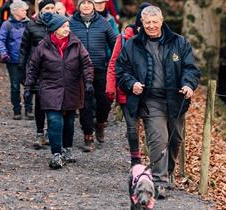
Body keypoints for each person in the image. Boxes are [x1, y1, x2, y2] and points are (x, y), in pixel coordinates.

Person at [116, 6, 200, 198]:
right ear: (142, 24)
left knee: (175, 138)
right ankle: (159, 181)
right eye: (147, 23)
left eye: (155, 22)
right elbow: (121, 70)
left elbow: (191, 68)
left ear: (162, 21)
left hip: (175, 99)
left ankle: (168, 172)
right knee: (158, 139)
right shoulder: (132, 45)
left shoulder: (179, 42)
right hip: (149, 100)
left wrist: (188, 85)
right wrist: (132, 84)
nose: (151, 26)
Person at [25, 13, 94, 169]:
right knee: (55, 121)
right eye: (63, 26)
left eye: (67, 26)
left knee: (69, 122)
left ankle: (67, 149)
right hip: (50, 88)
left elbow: (87, 63)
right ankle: (56, 154)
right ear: (54, 29)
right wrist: (28, 86)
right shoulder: (43, 46)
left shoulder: (76, 43)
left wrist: (88, 81)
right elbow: (33, 67)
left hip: (72, 88)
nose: (67, 29)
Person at [106, 2, 150, 167]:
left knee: (149, 125)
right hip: (126, 89)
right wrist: (110, 88)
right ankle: (136, 159)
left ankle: (154, 160)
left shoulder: (157, 39)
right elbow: (113, 63)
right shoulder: (124, 38)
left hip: (149, 91)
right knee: (132, 125)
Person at [70, 0, 117, 152]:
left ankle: (101, 123)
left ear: (93, 5)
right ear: (79, 5)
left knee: (105, 101)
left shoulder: (104, 23)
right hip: (80, 70)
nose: (86, 6)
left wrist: (113, 64)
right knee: (85, 103)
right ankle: (88, 133)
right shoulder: (71, 23)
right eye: (83, 2)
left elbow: (115, 44)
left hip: (100, 68)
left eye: (89, 2)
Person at [19, 0, 56, 147]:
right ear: (41, 10)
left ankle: (51, 132)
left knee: (54, 104)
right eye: (47, 8)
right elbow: (24, 49)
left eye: (53, 8)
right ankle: (40, 133)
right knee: (40, 103)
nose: (50, 10)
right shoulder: (31, 25)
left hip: (56, 71)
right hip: (38, 71)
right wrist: (22, 70)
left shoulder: (60, 24)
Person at [0, 0, 30, 120]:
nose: (25, 12)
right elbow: (1, 40)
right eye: (23, 10)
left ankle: (29, 109)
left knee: (29, 85)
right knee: (15, 86)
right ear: (15, 11)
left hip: (27, 60)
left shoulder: (29, 23)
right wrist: (4, 54)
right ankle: (17, 109)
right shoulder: (7, 25)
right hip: (13, 60)